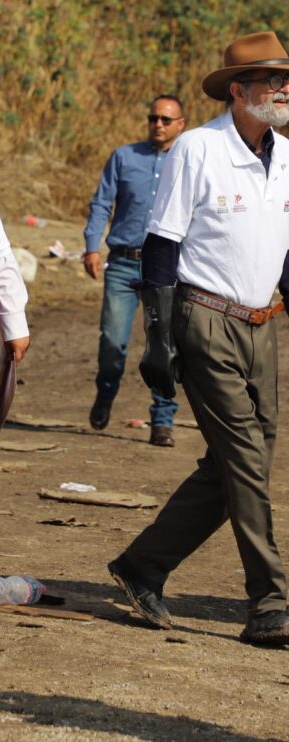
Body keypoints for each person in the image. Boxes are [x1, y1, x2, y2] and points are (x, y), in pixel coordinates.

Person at [109, 31, 289, 646]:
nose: (283, 88)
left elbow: (281, 251)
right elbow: (162, 245)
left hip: (263, 326)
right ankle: (269, 600)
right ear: (238, 91)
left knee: (241, 463)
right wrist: (159, 339)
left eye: (285, 79)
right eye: (271, 80)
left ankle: (141, 566)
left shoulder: (287, 157)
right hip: (204, 319)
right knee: (244, 457)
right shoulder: (197, 149)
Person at [83, 96, 186, 447]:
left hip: (167, 265)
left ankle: (162, 419)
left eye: (166, 119)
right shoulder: (124, 157)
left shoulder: (188, 161)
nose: (158, 124)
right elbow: (101, 202)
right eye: (153, 117)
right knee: (113, 340)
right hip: (124, 262)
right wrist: (91, 245)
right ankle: (106, 391)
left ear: (181, 124)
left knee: (165, 343)